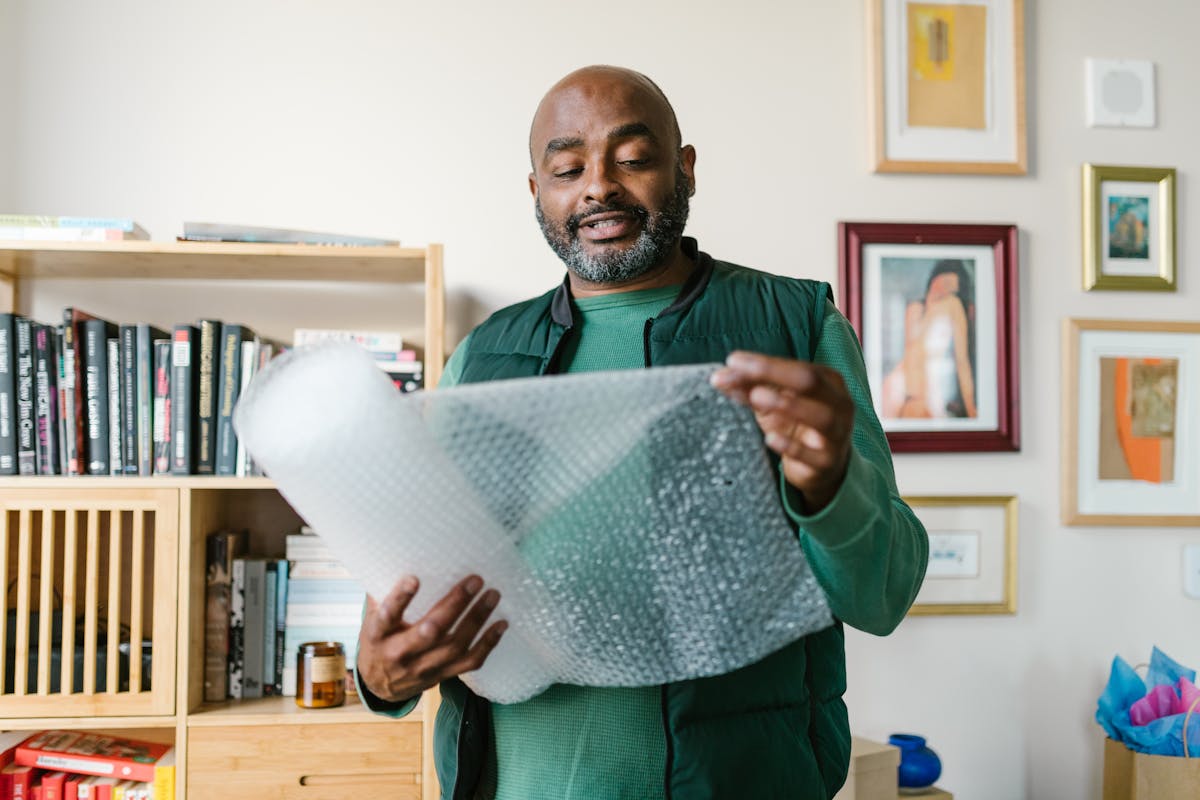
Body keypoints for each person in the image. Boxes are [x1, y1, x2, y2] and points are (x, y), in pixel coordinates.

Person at [355, 65, 928, 799]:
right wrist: (380, 678)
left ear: (684, 169)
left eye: (632, 158)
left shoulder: (796, 327)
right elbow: (409, 585)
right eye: (568, 167)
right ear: (537, 192)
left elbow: (886, 595)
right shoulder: (481, 357)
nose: (599, 186)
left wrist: (829, 486)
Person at [881, 259, 977, 420]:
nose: (942, 291)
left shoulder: (953, 307)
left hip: (928, 400)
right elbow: (911, 351)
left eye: (950, 289)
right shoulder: (915, 309)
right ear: (932, 281)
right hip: (901, 393)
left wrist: (971, 408)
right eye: (940, 284)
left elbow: (962, 362)